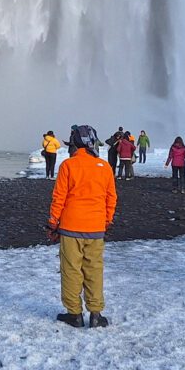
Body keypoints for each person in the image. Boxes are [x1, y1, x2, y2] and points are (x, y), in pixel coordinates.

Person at [48, 124, 116, 328]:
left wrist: (53, 223)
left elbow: (58, 198)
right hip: (96, 228)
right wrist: (106, 220)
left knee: (71, 270)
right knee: (94, 270)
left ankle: (74, 314)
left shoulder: (68, 165)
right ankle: (96, 314)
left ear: (76, 144)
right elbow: (111, 199)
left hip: (70, 227)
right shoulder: (105, 167)